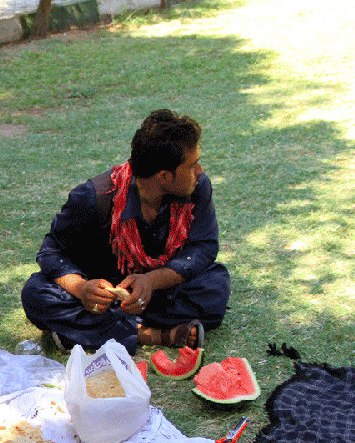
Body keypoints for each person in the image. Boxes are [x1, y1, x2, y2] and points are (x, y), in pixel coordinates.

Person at [21, 109, 230, 355]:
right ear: (163, 176)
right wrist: (83, 289)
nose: (200, 171)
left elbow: (204, 247)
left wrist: (151, 281)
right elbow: (51, 253)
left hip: (158, 291)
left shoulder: (197, 189)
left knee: (214, 287)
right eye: (192, 165)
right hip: (101, 295)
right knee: (36, 294)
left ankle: (88, 331)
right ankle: (152, 334)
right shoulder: (93, 197)